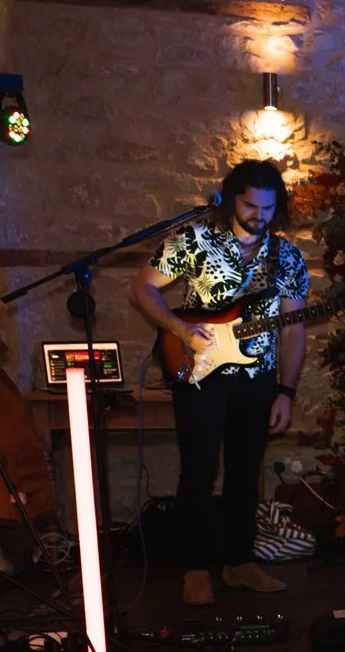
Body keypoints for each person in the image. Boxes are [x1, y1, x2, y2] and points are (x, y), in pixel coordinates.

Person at [131, 159, 308, 607]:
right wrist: (179, 327)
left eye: (268, 208)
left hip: (258, 380)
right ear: (231, 199)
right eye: (250, 205)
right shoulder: (195, 239)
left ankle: (240, 562)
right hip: (200, 375)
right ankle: (195, 569)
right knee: (198, 470)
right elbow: (142, 288)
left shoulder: (287, 256)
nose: (259, 215)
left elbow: (293, 330)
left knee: (246, 473)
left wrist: (286, 391)